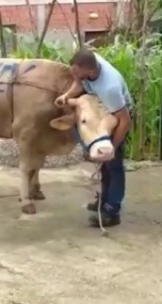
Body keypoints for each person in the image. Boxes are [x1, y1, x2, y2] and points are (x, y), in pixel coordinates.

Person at [55, 48, 132, 228]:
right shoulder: (89, 62)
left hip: (114, 117)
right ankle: (104, 200)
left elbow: (125, 121)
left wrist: (113, 146)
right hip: (98, 109)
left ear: (90, 71)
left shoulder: (110, 88)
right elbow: (79, 84)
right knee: (103, 164)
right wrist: (67, 96)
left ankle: (112, 211)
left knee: (113, 165)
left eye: (77, 73)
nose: (74, 76)